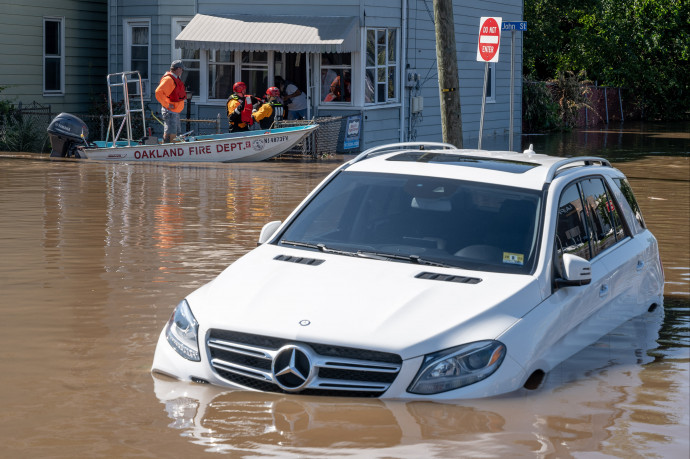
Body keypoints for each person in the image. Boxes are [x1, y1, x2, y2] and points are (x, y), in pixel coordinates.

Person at [155, 60, 187, 143]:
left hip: (174, 112)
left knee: (175, 133)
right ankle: (168, 150)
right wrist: (167, 105)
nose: (182, 71)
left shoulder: (174, 79)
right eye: (182, 69)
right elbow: (158, 92)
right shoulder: (169, 79)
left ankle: (173, 149)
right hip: (170, 112)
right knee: (171, 134)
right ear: (178, 69)